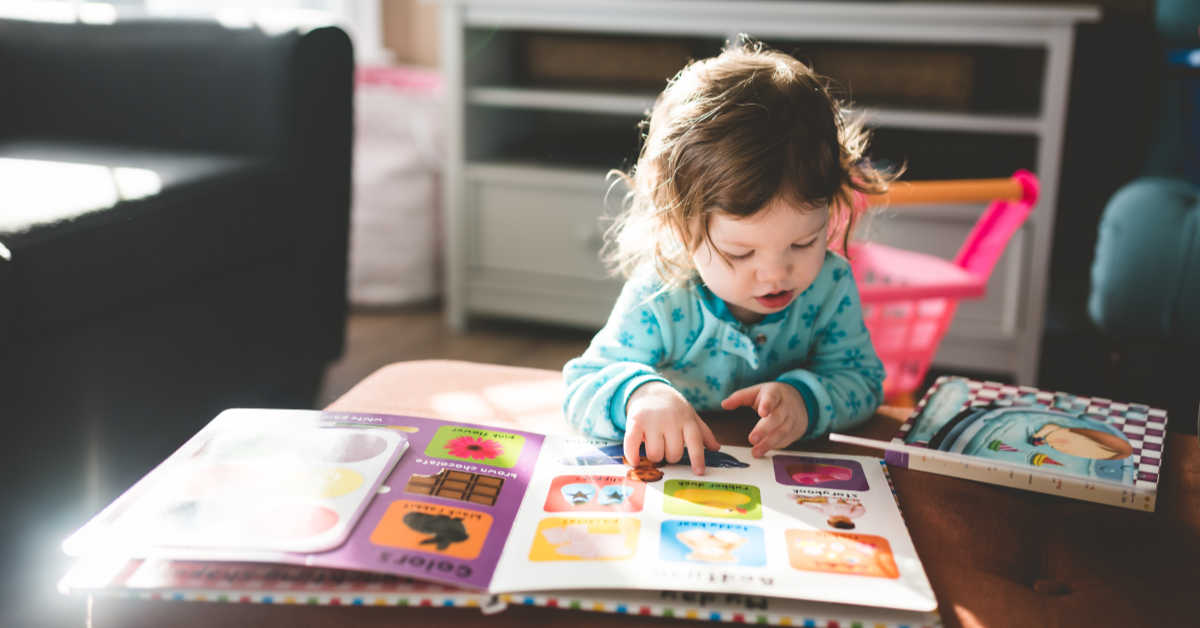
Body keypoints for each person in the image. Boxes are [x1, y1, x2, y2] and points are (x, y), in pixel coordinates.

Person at [562, 41, 893, 474]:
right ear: (680, 229)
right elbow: (581, 385)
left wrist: (806, 400)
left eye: (804, 243)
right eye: (741, 253)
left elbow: (863, 382)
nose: (776, 273)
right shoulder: (661, 294)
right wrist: (641, 395)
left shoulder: (829, 287)